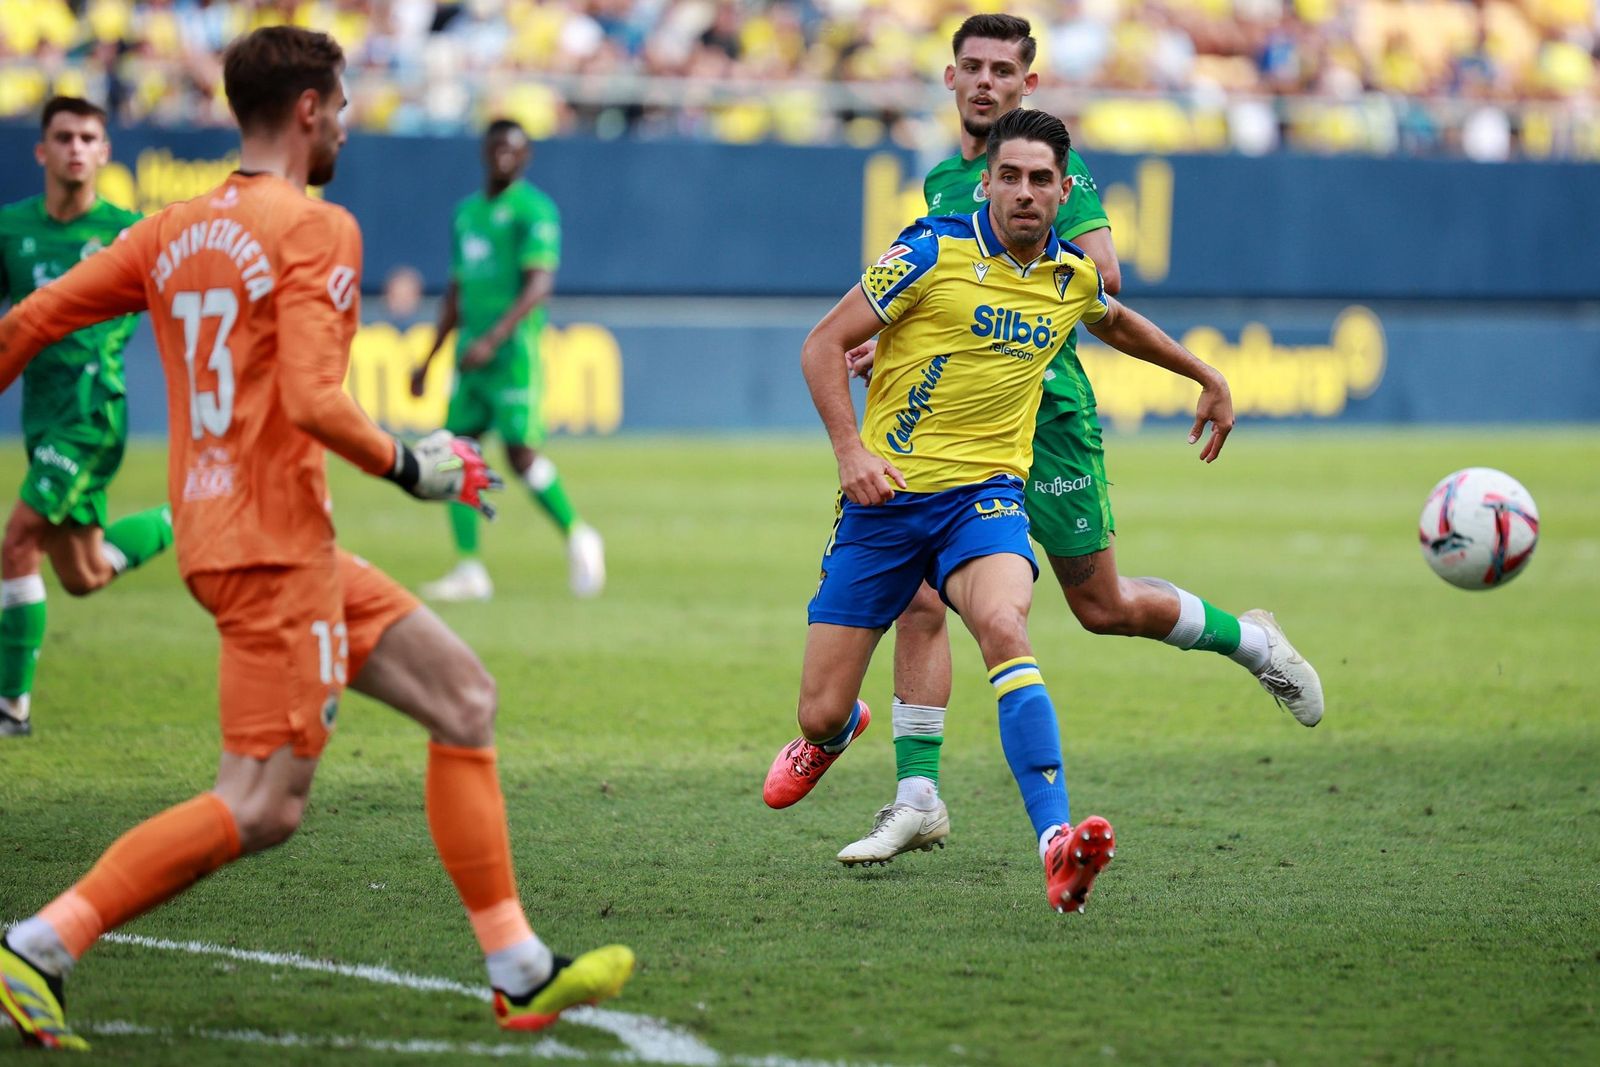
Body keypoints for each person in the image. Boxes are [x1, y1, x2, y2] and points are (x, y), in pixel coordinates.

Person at [0, 27, 632, 1051]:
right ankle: (38, 944)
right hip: (270, 551)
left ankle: (519, 968)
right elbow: (310, 396)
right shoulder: (315, 226)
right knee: (260, 805)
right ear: (307, 110)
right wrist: (410, 463)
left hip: (255, 537)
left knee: (463, 697)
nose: (344, 125)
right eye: (339, 107)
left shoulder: (169, 231)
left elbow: (26, 323)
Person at [835, 14, 1323, 868]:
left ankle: (1251, 640)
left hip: (1047, 413)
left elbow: (1105, 278)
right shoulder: (946, 178)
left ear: (1028, 85)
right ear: (951, 78)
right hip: (954, 429)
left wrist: (1192, 367)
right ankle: (917, 796)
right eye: (973, 67)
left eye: (1003, 71)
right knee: (917, 596)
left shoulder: (1058, 171)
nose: (986, 82)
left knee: (1102, 607)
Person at [765, 107, 1221, 915]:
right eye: (1009, 176)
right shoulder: (928, 251)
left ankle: (1056, 845)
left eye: (1041, 179)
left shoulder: (1069, 276)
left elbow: (1117, 322)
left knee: (1006, 625)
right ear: (988, 183)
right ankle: (836, 730)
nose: (1024, 192)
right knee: (819, 707)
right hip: (884, 504)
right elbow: (821, 345)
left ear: (1063, 192)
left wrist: (1204, 375)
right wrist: (850, 452)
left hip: (984, 499)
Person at [0, 96, 174, 737]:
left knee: (18, 542)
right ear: (41, 151)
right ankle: (189, 515)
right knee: (84, 573)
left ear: (105, 152)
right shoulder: (10, 229)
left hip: (92, 413)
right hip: (41, 417)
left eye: (88, 138)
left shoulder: (131, 234)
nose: (75, 148)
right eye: (64, 136)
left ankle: (9, 709)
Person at [409, 119, 604, 602]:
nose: (503, 155)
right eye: (496, 147)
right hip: (470, 359)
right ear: (484, 152)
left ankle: (579, 534)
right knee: (455, 452)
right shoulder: (466, 214)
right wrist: (429, 359)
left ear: (526, 157)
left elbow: (539, 285)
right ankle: (469, 568)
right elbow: (455, 293)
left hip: (512, 356)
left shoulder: (533, 211)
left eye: (512, 149)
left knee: (520, 458)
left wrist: (494, 340)